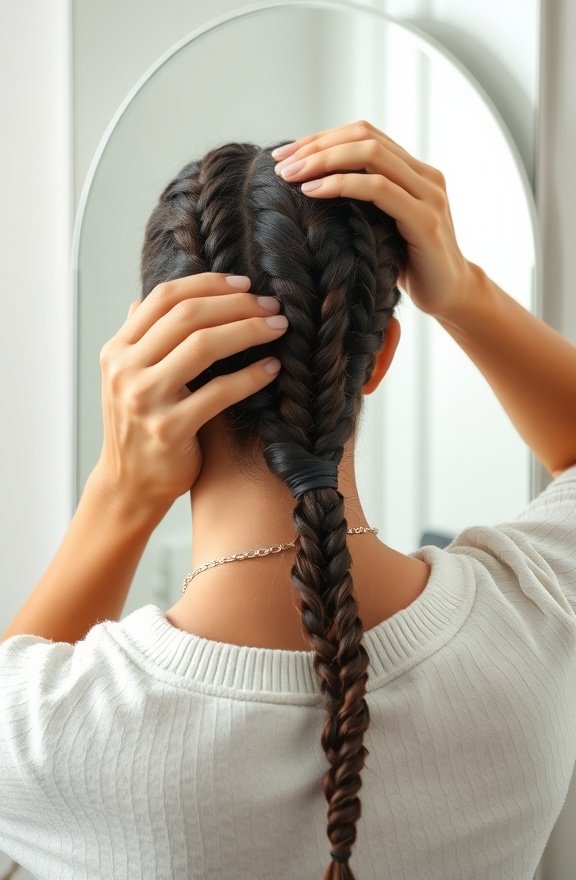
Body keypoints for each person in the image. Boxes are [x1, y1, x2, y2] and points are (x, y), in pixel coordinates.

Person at [1, 119, 575, 880]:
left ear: (155, 374)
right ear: (378, 359)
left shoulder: (43, 737)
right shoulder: (534, 616)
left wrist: (120, 493)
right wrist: (463, 289)